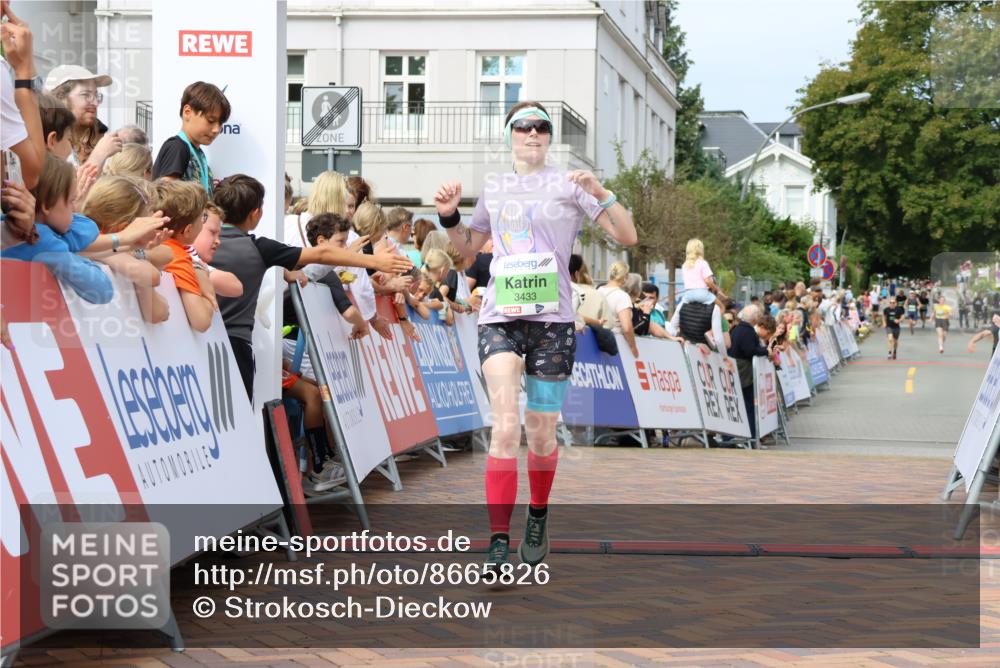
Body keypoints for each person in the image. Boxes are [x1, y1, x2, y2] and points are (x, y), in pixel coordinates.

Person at [432, 100, 636, 572]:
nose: (532, 133)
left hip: (553, 324)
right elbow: (466, 252)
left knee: (541, 433)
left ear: (549, 136)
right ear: (509, 136)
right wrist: (448, 217)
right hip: (501, 317)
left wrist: (601, 192)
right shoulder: (496, 187)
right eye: (522, 127)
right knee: (505, 427)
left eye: (541, 127)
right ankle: (498, 542)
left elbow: (626, 237)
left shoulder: (569, 184)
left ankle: (538, 516)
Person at [209, 174, 411, 401]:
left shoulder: (200, 242)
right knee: (237, 413)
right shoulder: (259, 248)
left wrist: (287, 272)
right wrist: (376, 262)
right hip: (237, 344)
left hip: (201, 340)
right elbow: (322, 254)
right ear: (256, 213)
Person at [80, 175, 169, 323]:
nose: (154, 229)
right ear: (124, 228)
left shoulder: (85, 231)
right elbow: (151, 277)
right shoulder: (98, 245)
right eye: (147, 224)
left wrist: (132, 249)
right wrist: (133, 253)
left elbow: (167, 255)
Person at [152, 179, 216, 332]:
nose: (203, 223)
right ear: (187, 230)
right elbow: (201, 321)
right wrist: (205, 284)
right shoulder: (178, 256)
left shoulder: (143, 242)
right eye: (202, 218)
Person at [152, 81, 230, 195]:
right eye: (211, 121)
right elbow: (165, 197)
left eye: (220, 123)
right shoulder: (177, 147)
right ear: (187, 112)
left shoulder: (196, 152)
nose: (216, 129)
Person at [46, 64, 120, 168]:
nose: (95, 103)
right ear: (61, 97)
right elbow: (71, 184)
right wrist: (99, 154)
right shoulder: (48, 141)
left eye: (96, 95)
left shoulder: (90, 138)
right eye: (86, 95)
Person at [728, 305, 770, 440]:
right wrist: (766, 351)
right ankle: (750, 435)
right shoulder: (748, 331)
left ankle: (738, 435)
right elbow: (750, 350)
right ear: (755, 318)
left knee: (742, 403)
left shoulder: (737, 329)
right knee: (749, 404)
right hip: (744, 371)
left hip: (737, 368)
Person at [191, 201, 243, 299]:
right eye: (212, 232)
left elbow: (236, 287)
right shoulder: (189, 260)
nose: (218, 241)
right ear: (191, 228)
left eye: (218, 235)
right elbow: (235, 286)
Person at [598, 261, 640, 357]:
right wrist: (633, 347)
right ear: (625, 277)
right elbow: (627, 327)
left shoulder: (598, 291)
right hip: (616, 343)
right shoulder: (622, 297)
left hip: (597, 338)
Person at [568, 254, 613, 330]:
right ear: (576, 274)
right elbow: (608, 325)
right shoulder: (578, 292)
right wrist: (598, 322)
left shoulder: (555, 291)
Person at [882, 295, 905, 360]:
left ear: (896, 303)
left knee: (895, 341)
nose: (892, 304)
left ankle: (894, 351)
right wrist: (884, 323)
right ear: (889, 303)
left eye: (893, 302)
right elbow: (884, 316)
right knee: (890, 339)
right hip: (889, 326)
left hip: (896, 327)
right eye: (890, 302)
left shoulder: (899, 309)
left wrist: (899, 320)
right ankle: (889, 353)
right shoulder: (886, 309)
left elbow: (903, 316)